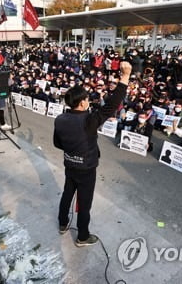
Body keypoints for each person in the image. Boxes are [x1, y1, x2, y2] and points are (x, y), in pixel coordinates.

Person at [54, 61, 131, 247]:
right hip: (86, 168)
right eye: (87, 99)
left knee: (67, 194)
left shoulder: (60, 119)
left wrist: (72, 149)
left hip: (69, 165)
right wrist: (125, 77)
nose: (89, 101)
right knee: (84, 203)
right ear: (81, 103)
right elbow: (112, 105)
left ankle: (63, 223)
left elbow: (57, 143)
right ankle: (82, 236)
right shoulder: (89, 120)